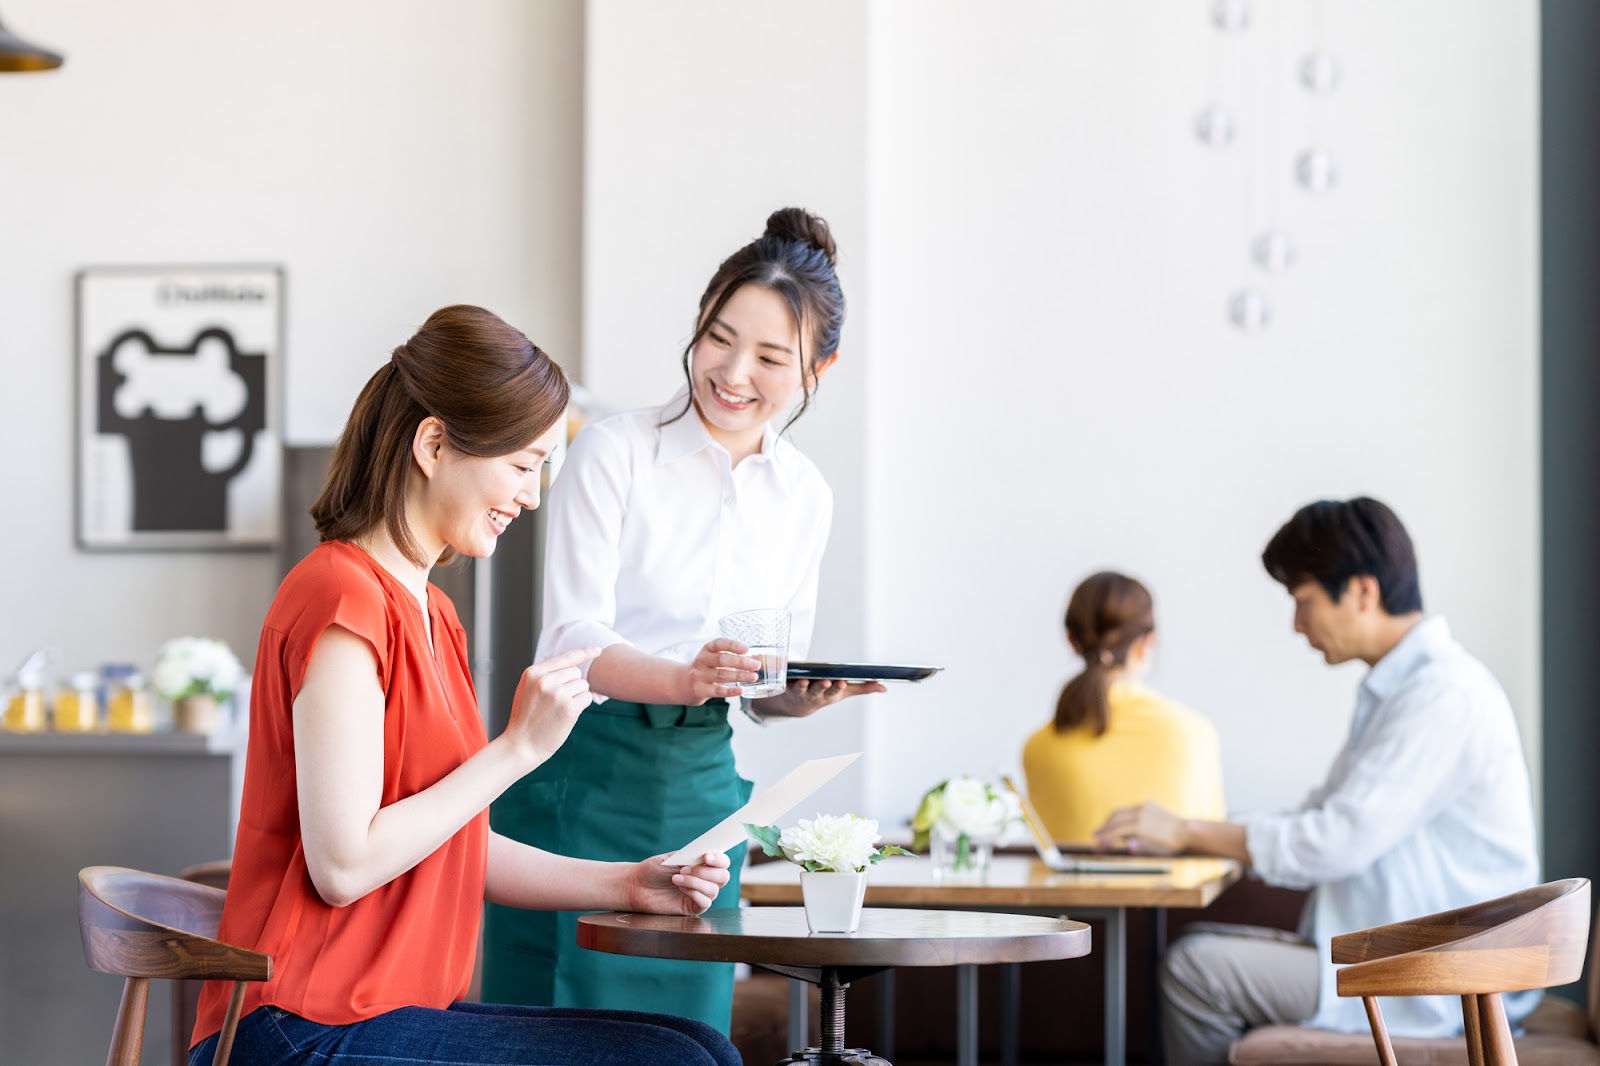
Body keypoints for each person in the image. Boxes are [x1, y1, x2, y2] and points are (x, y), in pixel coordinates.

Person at [189, 305, 740, 1066]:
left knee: (701, 1046)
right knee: (673, 1061)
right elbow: (344, 866)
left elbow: (450, 844)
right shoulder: (340, 599)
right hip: (299, 1025)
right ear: (434, 443)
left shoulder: (434, 612)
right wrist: (516, 751)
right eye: (522, 465)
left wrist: (632, 884)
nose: (535, 495)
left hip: (389, 1012)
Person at [482, 208, 884, 1031]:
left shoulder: (806, 496)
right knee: (559, 1033)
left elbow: (762, 688)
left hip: (703, 795)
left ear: (820, 368)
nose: (734, 373)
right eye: (719, 338)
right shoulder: (612, 451)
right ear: (699, 321)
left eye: (772, 357)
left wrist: (796, 696)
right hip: (578, 774)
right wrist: (685, 675)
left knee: (684, 1038)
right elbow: (569, 640)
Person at [1094, 497, 1539, 1066]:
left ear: (1362, 592)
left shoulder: (1442, 696)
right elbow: (1320, 815)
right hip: (1411, 959)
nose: (1296, 624)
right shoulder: (1404, 692)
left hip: (1437, 981)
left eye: (1303, 601)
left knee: (1192, 971)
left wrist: (1184, 831)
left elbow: (1334, 840)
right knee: (1197, 948)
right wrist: (1196, 831)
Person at [1021, 571, 1225, 844]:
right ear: (1147, 641)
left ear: (1071, 640)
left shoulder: (1036, 748)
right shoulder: (1195, 734)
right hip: (1173, 888)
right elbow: (1211, 858)